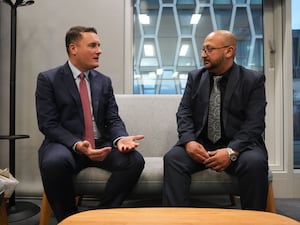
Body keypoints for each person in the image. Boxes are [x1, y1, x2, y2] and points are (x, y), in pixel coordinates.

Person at [35, 26, 145, 222]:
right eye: (93, 45)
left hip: (100, 144)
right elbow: (48, 124)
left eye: (99, 45)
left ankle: (100, 216)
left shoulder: (104, 81)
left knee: (134, 160)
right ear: (73, 48)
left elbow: (112, 118)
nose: (99, 50)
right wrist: (78, 145)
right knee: (53, 162)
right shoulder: (48, 79)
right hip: (66, 146)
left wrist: (120, 139)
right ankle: (69, 218)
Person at [163, 30, 269, 210]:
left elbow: (254, 123)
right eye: (203, 49)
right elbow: (184, 113)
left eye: (209, 50)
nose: (203, 54)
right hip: (203, 145)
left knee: (255, 163)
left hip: (240, 147)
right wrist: (189, 141)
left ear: (229, 51)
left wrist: (230, 151)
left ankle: (255, 220)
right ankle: (176, 218)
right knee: (173, 158)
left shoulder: (252, 80)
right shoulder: (195, 77)